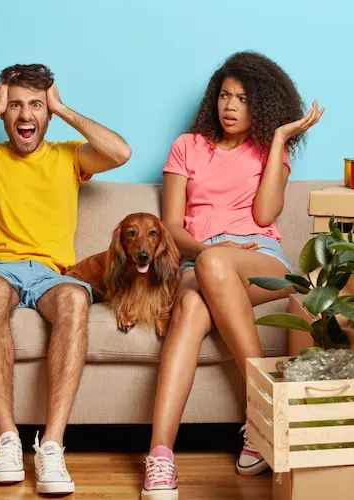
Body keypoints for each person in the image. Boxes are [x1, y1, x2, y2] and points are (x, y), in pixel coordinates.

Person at [0, 63, 131, 495]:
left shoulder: (69, 156)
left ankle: (52, 445)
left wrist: (62, 107)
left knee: (76, 301)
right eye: (15, 105)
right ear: (4, 114)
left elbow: (120, 152)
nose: (25, 115)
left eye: (35, 105)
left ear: (48, 113)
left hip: (52, 274)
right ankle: (7, 438)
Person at [141, 52, 324, 499]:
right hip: (201, 258)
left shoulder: (268, 152)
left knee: (211, 269)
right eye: (225, 95)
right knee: (188, 302)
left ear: (260, 106)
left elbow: (264, 214)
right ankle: (161, 455)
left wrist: (280, 139)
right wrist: (210, 252)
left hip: (257, 257)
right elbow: (171, 227)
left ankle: (254, 411)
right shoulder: (187, 146)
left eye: (242, 99)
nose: (230, 105)